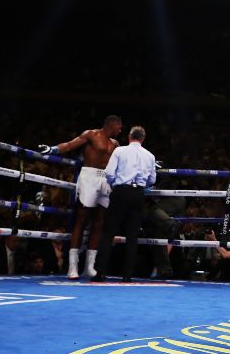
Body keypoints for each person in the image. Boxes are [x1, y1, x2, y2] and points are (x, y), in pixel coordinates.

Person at [38, 115, 122, 279]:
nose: (120, 131)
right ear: (112, 125)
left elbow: (124, 160)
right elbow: (70, 145)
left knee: (99, 222)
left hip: (106, 179)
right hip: (89, 176)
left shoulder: (116, 144)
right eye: (119, 127)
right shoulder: (91, 134)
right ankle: (73, 267)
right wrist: (52, 149)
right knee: (81, 219)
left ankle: (89, 267)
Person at [92, 126, 156, 283]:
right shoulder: (150, 156)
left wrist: (116, 185)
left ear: (129, 137)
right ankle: (127, 276)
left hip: (121, 192)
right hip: (138, 194)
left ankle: (100, 272)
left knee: (108, 233)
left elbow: (109, 173)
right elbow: (152, 180)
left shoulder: (120, 151)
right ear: (143, 139)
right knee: (132, 236)